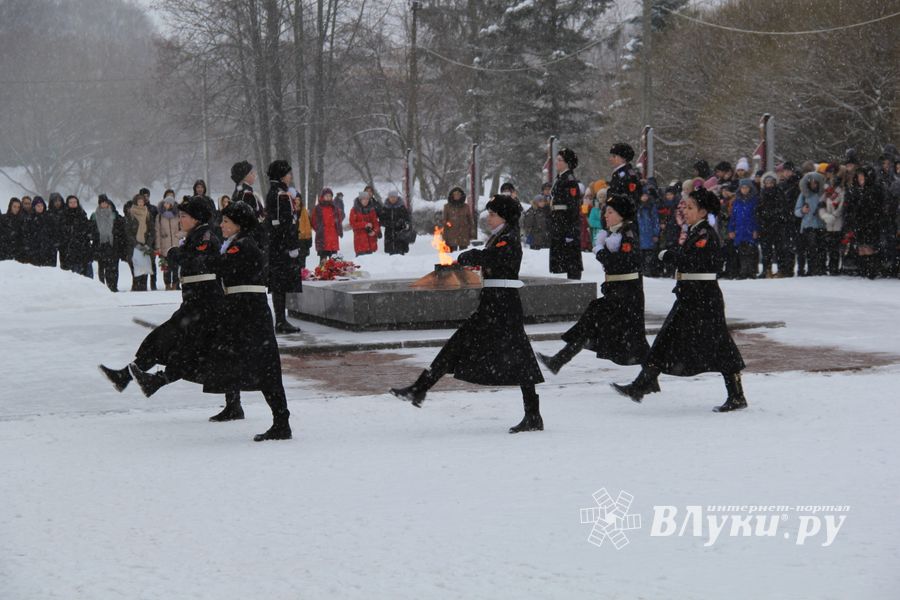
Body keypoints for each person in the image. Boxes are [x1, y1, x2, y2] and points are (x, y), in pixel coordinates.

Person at [390, 195, 545, 433]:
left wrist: (472, 256)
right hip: (493, 303)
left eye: (493, 213)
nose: (489, 217)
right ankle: (420, 388)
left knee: (519, 357)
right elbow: (492, 261)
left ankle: (533, 415)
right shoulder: (499, 237)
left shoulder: (509, 238)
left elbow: (496, 258)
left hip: (503, 305)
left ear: (504, 216)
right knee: (460, 344)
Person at [612, 187, 748, 413]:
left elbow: (692, 260)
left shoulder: (705, 233)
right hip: (690, 295)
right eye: (685, 206)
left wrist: (669, 255)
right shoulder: (696, 230)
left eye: (691, 207)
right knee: (666, 338)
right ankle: (641, 385)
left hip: (703, 297)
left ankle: (737, 395)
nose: (685, 210)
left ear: (703, 211)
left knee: (721, 346)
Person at [100, 196, 224, 408]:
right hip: (194, 303)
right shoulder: (195, 235)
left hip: (205, 304)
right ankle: (131, 377)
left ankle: (151, 380)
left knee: (192, 351)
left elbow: (198, 262)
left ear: (196, 218)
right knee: (163, 341)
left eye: (184, 216)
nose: (180, 219)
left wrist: (177, 254)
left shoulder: (206, 235)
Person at [538, 193, 650, 376]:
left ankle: (647, 380)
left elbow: (620, 264)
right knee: (593, 325)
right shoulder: (617, 234)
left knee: (635, 340)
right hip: (617, 293)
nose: (606, 215)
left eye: (610, 212)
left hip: (627, 295)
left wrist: (600, 251)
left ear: (621, 215)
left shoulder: (627, 234)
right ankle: (558, 360)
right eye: (606, 211)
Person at [207, 200, 292, 441]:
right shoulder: (239, 242)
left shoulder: (243, 245)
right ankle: (240, 407)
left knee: (266, 367)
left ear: (238, 224)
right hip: (243, 309)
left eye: (226, 221)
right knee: (252, 364)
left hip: (250, 311)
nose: (221, 225)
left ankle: (281, 421)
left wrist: (194, 253)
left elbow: (220, 266)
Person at [265, 160, 303, 333]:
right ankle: (280, 320)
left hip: (276, 246)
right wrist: (292, 246)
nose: (290, 176)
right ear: (281, 176)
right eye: (288, 174)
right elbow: (285, 224)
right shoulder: (281, 195)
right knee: (281, 284)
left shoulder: (276, 192)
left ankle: (280, 319)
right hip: (282, 248)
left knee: (278, 284)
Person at [549, 148, 583, 279]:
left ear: (567, 163)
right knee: (565, 257)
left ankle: (574, 284)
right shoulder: (561, 178)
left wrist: (570, 230)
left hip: (566, 223)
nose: (556, 163)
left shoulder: (569, 180)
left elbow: (573, 207)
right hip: (560, 221)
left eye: (559, 160)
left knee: (571, 258)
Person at [90, 195, 127, 291]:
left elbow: (120, 229)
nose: (104, 204)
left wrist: (117, 238)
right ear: (99, 204)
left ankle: (113, 286)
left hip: (113, 245)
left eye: (105, 202)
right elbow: (91, 230)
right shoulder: (94, 215)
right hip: (100, 245)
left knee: (113, 268)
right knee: (101, 267)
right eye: (102, 202)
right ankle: (102, 287)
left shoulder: (114, 215)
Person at [794, 171, 827, 276]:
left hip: (821, 225)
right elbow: (797, 211)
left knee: (821, 249)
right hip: (808, 225)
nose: (813, 184)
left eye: (815, 182)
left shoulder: (823, 194)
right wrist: (803, 210)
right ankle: (811, 269)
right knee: (810, 249)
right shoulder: (804, 194)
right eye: (811, 182)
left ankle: (821, 268)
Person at [728, 179, 760, 279]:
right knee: (741, 252)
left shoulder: (755, 201)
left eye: (746, 187)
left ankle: (751, 271)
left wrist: (756, 229)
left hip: (750, 230)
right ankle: (743, 271)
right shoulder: (737, 202)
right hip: (739, 231)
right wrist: (731, 229)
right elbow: (733, 217)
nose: (744, 189)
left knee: (751, 251)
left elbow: (757, 217)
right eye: (742, 187)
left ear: (750, 188)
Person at [125, 193, 156, 291]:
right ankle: (135, 287)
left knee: (145, 268)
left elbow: (152, 231)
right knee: (135, 268)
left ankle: (143, 288)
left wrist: (148, 244)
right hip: (134, 246)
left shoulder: (148, 213)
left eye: (142, 201)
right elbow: (128, 231)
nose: (141, 203)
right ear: (135, 202)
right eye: (139, 201)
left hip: (145, 245)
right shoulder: (131, 214)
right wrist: (135, 244)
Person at [59, 195, 94, 277]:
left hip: (84, 249)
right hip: (71, 251)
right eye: (71, 202)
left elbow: (87, 229)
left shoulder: (82, 213)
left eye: (75, 202)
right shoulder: (64, 215)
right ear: (67, 204)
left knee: (88, 276)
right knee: (75, 276)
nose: (73, 204)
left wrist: (88, 234)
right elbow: (63, 232)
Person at [156, 194, 184, 290]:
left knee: (176, 266)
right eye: (165, 203)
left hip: (175, 244)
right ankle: (167, 284)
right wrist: (158, 246)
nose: (166, 205)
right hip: (165, 245)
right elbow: (157, 232)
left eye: (168, 203)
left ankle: (175, 284)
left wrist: (178, 235)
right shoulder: (159, 217)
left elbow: (183, 229)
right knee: (166, 266)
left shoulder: (178, 216)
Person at [311, 187, 344, 263]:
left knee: (334, 262)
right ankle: (323, 273)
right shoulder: (318, 208)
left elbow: (339, 220)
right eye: (326, 196)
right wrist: (319, 229)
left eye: (330, 196)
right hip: (322, 239)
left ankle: (335, 274)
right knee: (323, 262)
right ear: (322, 197)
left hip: (333, 238)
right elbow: (313, 221)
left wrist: (339, 230)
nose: (328, 197)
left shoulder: (335, 208)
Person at [23, 197, 55, 266]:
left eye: (42, 205)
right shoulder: (29, 219)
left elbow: (53, 234)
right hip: (34, 252)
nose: (40, 207)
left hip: (47, 252)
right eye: (38, 206)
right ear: (34, 207)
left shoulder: (49, 217)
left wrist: (51, 247)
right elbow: (26, 235)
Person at [636, 186, 660, 276]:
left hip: (649, 235)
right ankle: (642, 271)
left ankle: (648, 272)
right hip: (640, 235)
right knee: (641, 255)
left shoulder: (651, 207)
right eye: (643, 196)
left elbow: (655, 221)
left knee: (649, 256)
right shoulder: (637, 207)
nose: (644, 197)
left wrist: (655, 234)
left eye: (646, 195)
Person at [349, 190, 381, 256]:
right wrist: (364, 224)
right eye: (364, 199)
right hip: (360, 242)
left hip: (371, 242)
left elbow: (375, 223)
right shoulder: (354, 210)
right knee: (361, 263)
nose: (366, 201)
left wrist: (374, 231)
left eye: (367, 199)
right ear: (360, 200)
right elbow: (352, 224)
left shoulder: (372, 210)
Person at [380, 190, 412, 255]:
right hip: (389, 234)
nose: (393, 199)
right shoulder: (385, 208)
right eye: (391, 197)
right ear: (388, 198)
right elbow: (382, 220)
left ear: (397, 198)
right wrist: (389, 224)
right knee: (391, 254)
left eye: (394, 197)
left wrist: (401, 222)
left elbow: (407, 219)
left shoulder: (402, 207)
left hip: (400, 234)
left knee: (401, 253)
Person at [442, 186, 473, 251]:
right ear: (452, 195)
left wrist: (471, 233)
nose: (457, 196)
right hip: (451, 235)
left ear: (461, 195)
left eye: (458, 194)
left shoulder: (466, 207)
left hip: (463, 234)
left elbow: (470, 220)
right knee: (452, 255)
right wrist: (448, 225)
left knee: (463, 254)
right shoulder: (447, 207)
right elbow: (444, 220)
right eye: (455, 194)